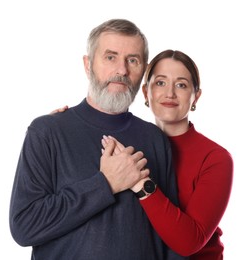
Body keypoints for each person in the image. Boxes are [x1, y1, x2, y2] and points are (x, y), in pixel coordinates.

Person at [9, 19, 186, 260]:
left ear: (142, 70)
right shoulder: (47, 131)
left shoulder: (154, 138)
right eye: (110, 57)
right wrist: (106, 184)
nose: (122, 70)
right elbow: (24, 226)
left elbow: (172, 238)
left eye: (132, 60)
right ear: (88, 65)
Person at [101, 49, 234, 259]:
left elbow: (190, 242)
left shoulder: (215, 158)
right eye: (160, 83)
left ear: (195, 97)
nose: (170, 93)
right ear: (146, 93)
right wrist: (58, 124)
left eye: (181, 85)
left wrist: (140, 183)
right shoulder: (127, 145)